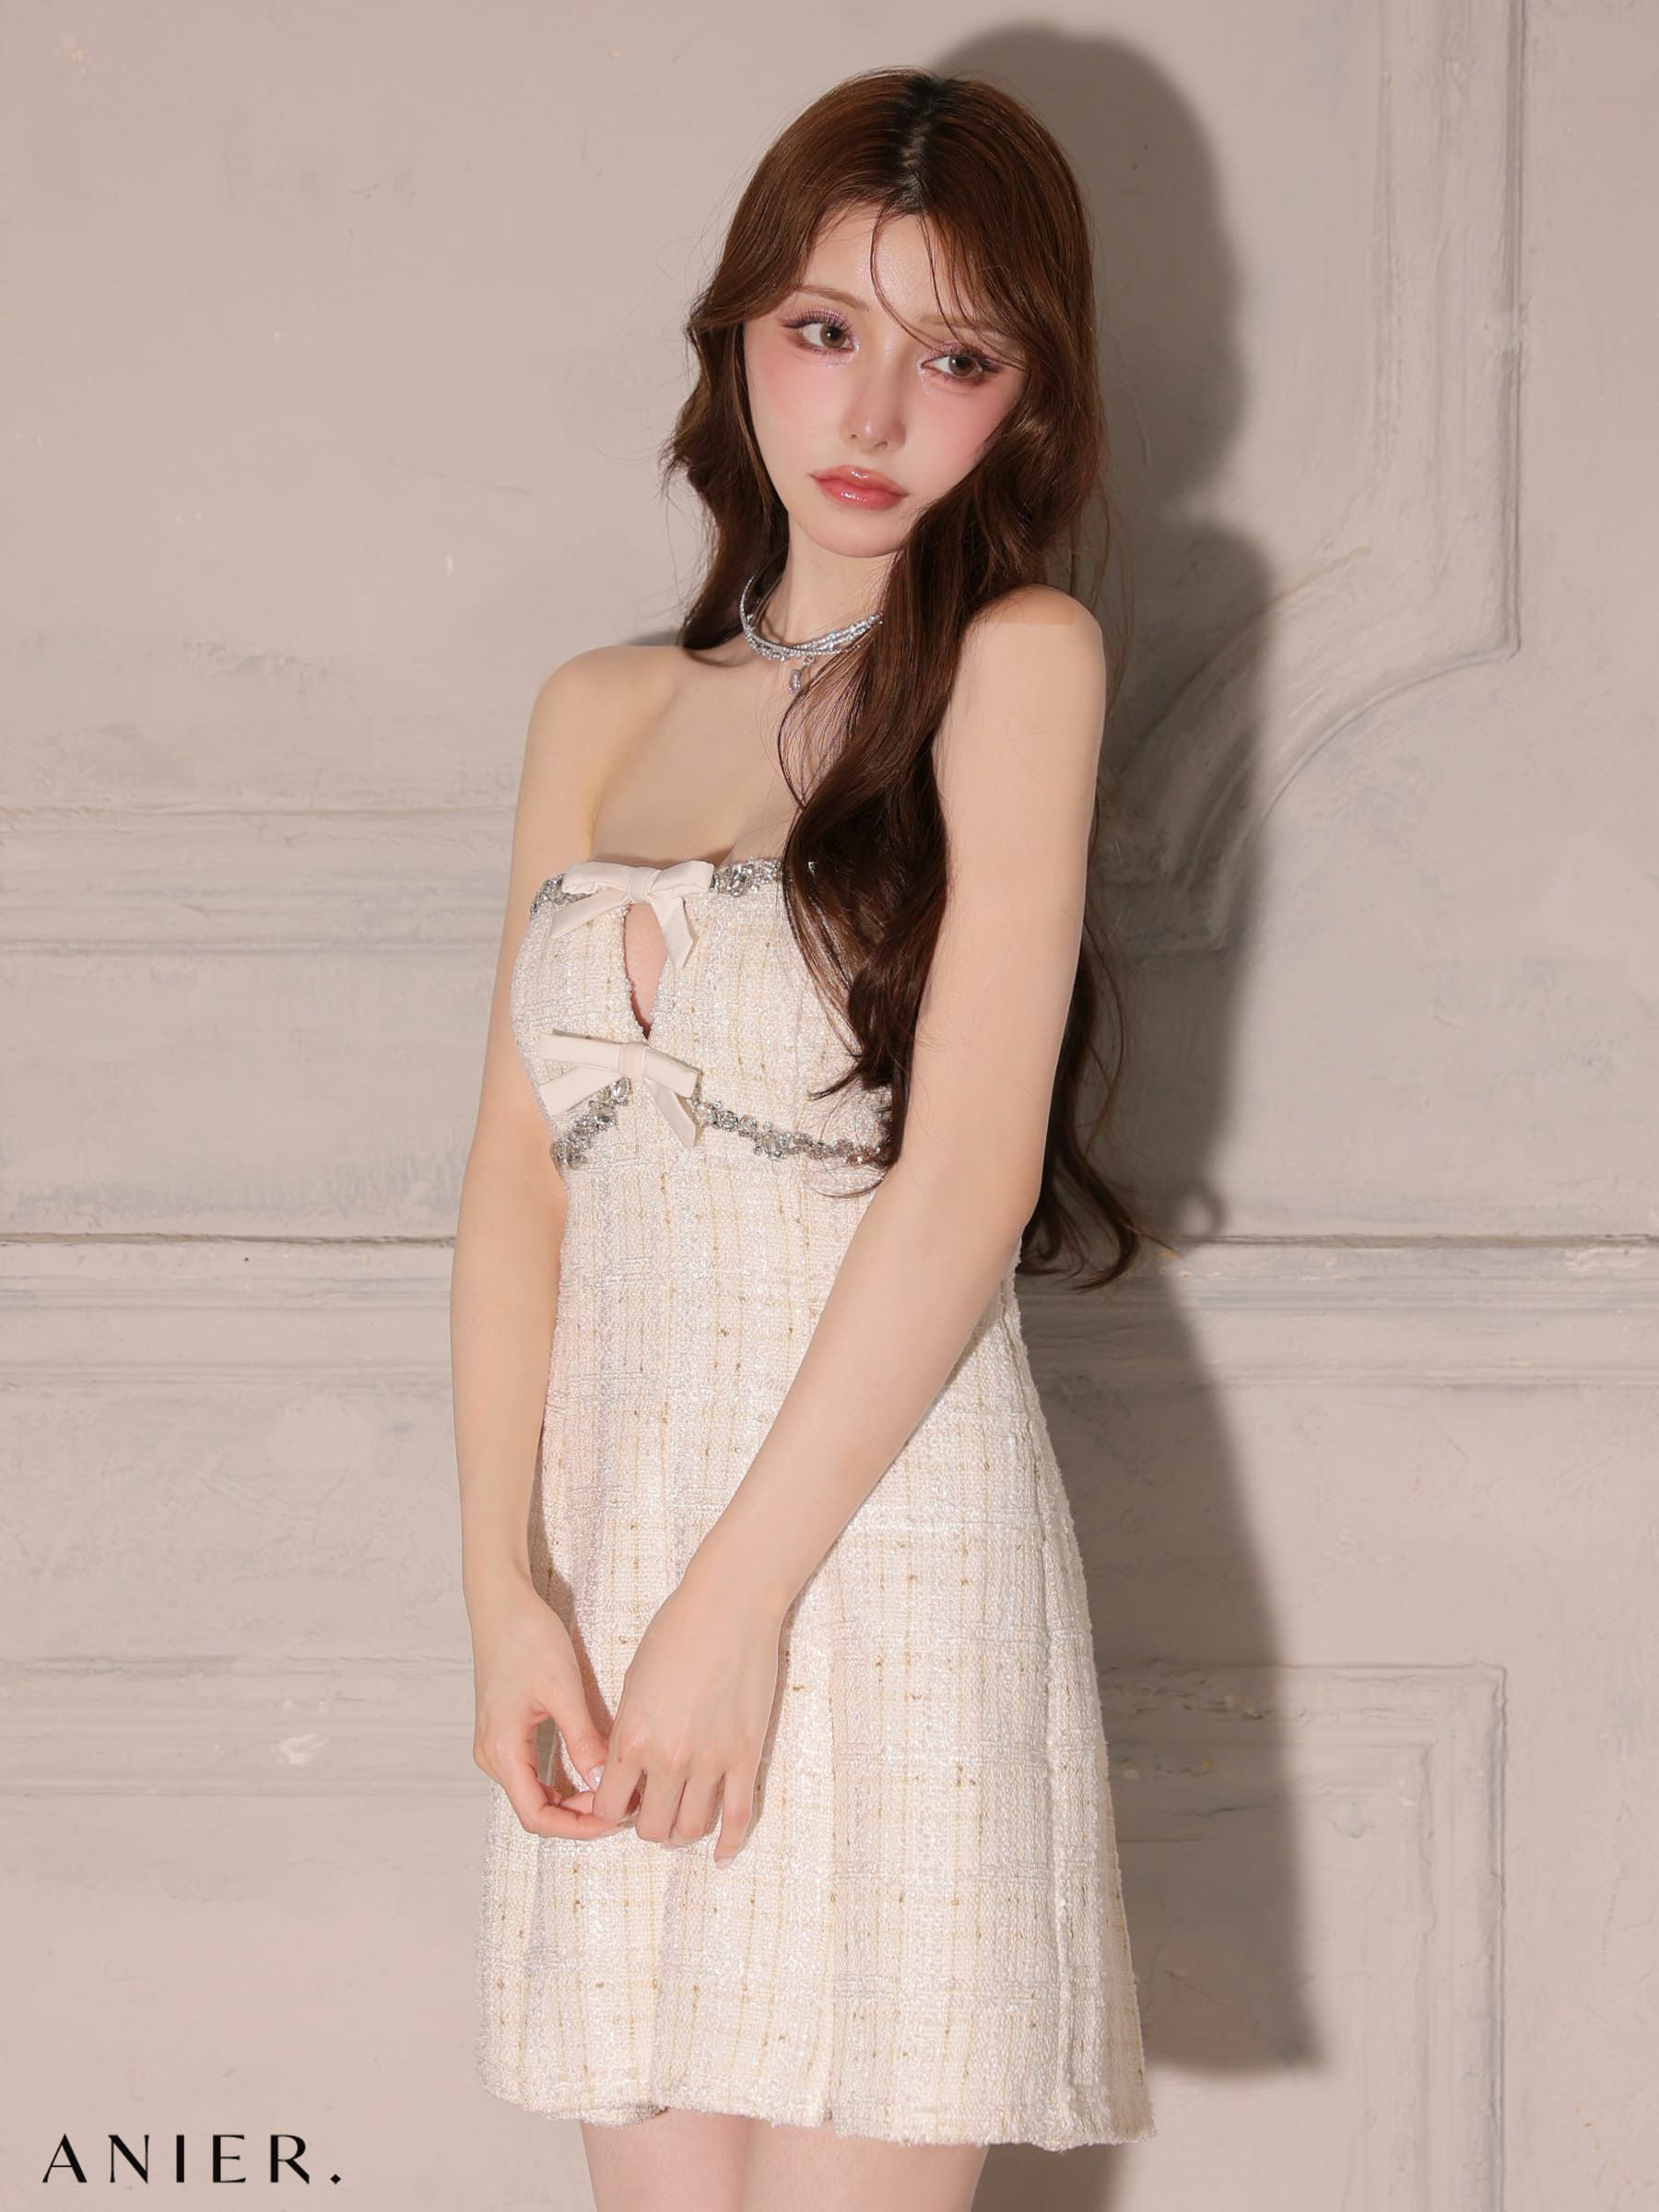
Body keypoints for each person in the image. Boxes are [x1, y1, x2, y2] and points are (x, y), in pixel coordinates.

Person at [454, 65, 1156, 2212]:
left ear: (1025, 400)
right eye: (824, 328)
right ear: (739, 328)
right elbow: (517, 1192)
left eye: (955, 357)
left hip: (873, 1543)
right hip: (619, 1550)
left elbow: (968, 1184)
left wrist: (732, 1611)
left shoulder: (1017, 663)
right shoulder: (596, 709)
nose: (870, 413)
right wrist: (507, 1596)